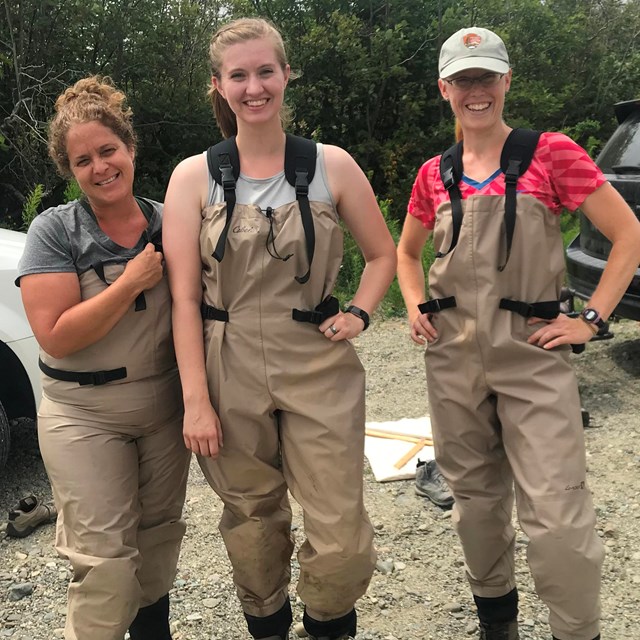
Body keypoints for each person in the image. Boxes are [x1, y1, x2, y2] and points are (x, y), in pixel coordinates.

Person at [396, 27, 640, 640]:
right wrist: (414, 303)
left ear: (506, 81)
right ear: (445, 89)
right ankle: (495, 623)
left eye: (486, 77)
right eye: (462, 80)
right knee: (475, 506)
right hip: (453, 360)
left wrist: (590, 320)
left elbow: (629, 235)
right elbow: (405, 254)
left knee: (558, 516)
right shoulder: (434, 172)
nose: (475, 91)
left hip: (532, 357)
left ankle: (575, 630)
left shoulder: (550, 153)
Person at [162, 17, 396, 640]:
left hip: (316, 359)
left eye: (266, 71)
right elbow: (183, 298)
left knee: (341, 530)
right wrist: (195, 401)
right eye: (238, 75)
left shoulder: (331, 167)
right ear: (219, 85)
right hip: (226, 360)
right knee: (251, 519)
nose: (254, 87)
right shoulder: (193, 178)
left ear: (287, 74)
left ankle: (328, 624)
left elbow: (383, 254)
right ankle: (266, 625)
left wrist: (363, 311)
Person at [16, 76, 191, 640]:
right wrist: (130, 281)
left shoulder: (171, 220)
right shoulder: (55, 232)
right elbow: (56, 336)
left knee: (159, 542)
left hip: (163, 405)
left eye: (108, 150)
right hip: (81, 413)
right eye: (83, 159)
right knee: (105, 560)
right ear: (70, 171)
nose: (100, 167)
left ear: (131, 149)